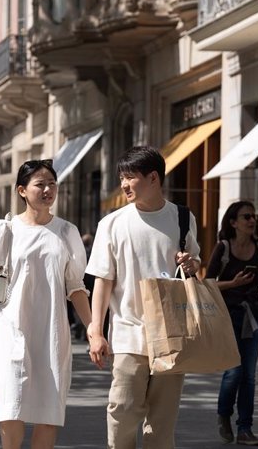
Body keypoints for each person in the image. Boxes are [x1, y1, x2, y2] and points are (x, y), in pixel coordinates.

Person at [0, 159, 92, 449]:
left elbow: (76, 288)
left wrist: (94, 331)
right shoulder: (6, 229)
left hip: (52, 333)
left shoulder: (67, 232)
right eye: (40, 184)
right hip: (12, 330)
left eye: (52, 184)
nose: (48, 189)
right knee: (11, 405)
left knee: (48, 410)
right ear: (22, 191)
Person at [86, 146, 201, 449]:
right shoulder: (111, 224)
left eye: (130, 177)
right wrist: (96, 330)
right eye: (121, 177)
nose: (123, 184)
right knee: (122, 409)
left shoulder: (182, 218)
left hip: (171, 334)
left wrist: (192, 264)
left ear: (153, 178)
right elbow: (102, 280)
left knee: (163, 421)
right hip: (128, 332)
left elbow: (194, 265)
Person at [205, 200, 258, 446]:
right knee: (234, 371)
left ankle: (245, 429)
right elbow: (207, 282)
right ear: (233, 222)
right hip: (226, 315)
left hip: (253, 315)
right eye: (246, 217)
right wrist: (232, 284)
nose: (252, 220)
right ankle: (224, 413)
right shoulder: (223, 248)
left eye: (253, 216)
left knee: (249, 375)